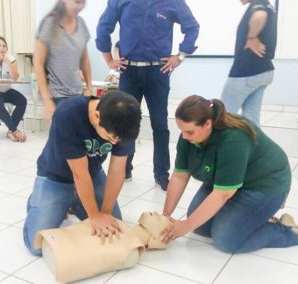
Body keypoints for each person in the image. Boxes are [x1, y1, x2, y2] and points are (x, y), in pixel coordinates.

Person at [160, 95, 298, 253]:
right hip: (227, 181)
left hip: (264, 185)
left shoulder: (234, 138)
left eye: (189, 132)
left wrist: (185, 226)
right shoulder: (188, 137)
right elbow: (180, 176)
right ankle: (251, 219)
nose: (184, 137)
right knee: (200, 226)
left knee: (226, 239)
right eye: (181, 131)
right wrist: (165, 216)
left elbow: (223, 193)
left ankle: (284, 230)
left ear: (208, 123)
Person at [96, 0, 199, 190]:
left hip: (158, 72)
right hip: (129, 71)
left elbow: (192, 27)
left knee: (159, 124)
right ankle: (124, 167)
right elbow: (104, 28)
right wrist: (109, 60)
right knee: (125, 122)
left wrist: (180, 56)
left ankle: (161, 174)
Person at [23, 90, 142, 256]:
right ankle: (39, 199)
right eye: (109, 137)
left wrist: (105, 214)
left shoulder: (125, 121)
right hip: (56, 175)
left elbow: (117, 171)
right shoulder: (68, 114)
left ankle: (73, 200)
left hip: (92, 174)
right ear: (97, 116)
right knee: (36, 246)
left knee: (113, 227)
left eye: (117, 140)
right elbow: (79, 174)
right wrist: (94, 216)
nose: (114, 142)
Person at [221, 0, 277, 127]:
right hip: (264, 70)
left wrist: (251, 37)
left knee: (223, 116)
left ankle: (222, 146)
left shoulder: (259, 5)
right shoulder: (268, 4)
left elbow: (259, 16)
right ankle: (254, 146)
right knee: (252, 120)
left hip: (246, 72)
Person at [34, 0, 92, 122]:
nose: (81, 6)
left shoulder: (81, 24)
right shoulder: (49, 24)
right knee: (64, 138)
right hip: (57, 95)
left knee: (78, 137)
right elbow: (38, 63)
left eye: (83, 2)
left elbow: (85, 59)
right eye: (77, 2)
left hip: (78, 93)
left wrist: (89, 87)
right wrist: (47, 100)